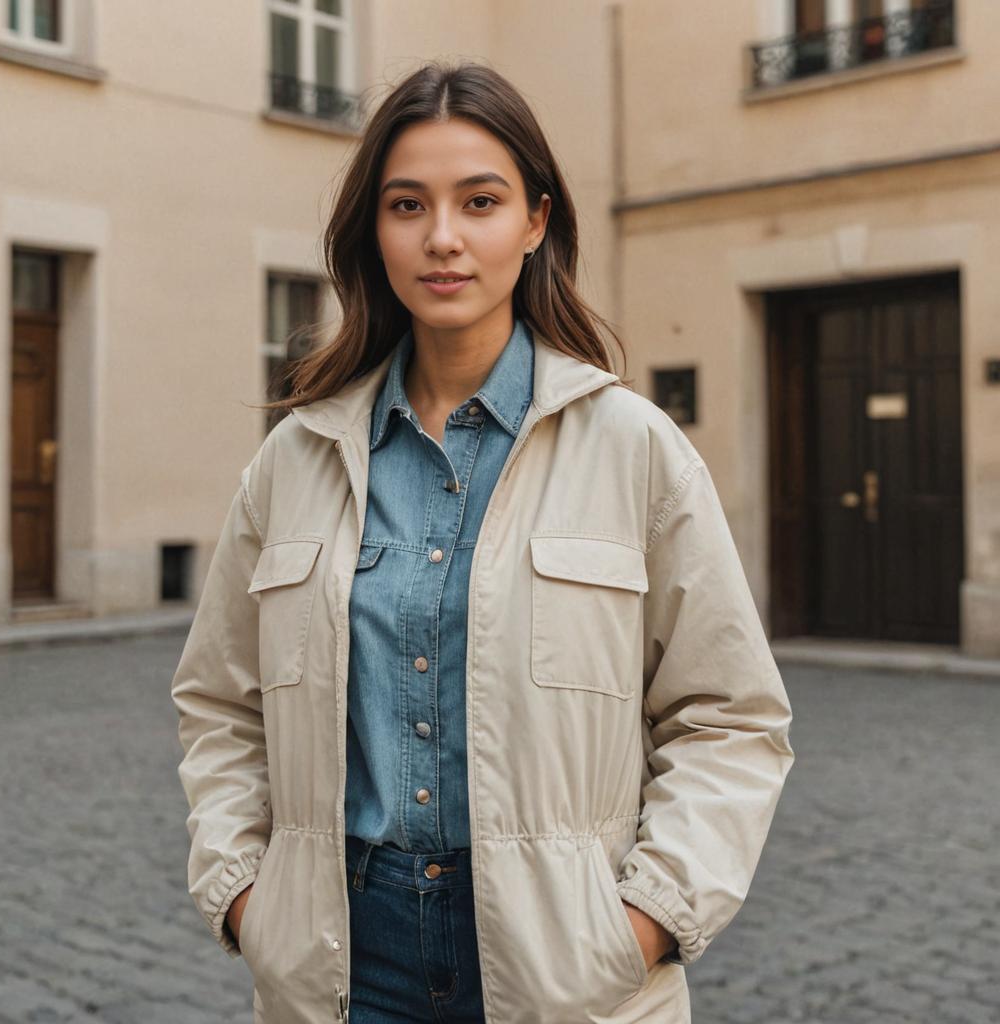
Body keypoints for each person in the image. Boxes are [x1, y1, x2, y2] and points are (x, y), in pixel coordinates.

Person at [171, 59, 795, 1024]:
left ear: (536, 221)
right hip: (342, 964)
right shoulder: (293, 463)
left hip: (564, 970)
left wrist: (642, 922)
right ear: (373, 231)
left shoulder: (635, 451)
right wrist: (249, 900)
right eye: (408, 204)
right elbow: (220, 704)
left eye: (482, 201)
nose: (444, 238)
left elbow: (730, 718)